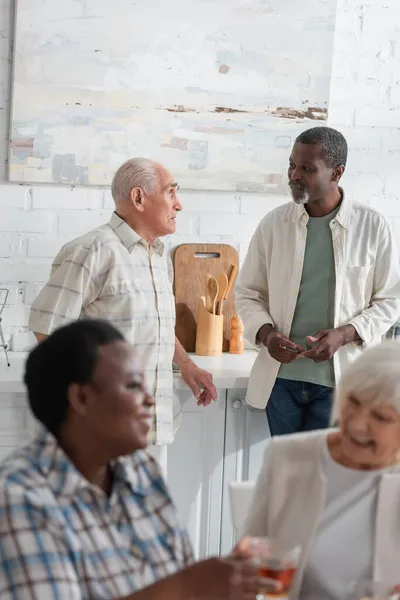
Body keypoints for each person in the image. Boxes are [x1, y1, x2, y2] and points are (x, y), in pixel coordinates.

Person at [0, 319, 269, 600]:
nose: (150, 400)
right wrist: (190, 585)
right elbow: (180, 586)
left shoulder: (141, 471)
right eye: (133, 386)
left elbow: (178, 580)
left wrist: (220, 585)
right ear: (81, 398)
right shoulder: (20, 498)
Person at [28, 158, 217, 451]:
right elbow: (47, 329)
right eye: (171, 193)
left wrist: (187, 365)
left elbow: (157, 326)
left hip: (155, 426)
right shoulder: (92, 250)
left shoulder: (157, 255)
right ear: (139, 197)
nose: (179, 205)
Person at [236, 126, 400, 436]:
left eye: (307, 168)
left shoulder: (372, 227)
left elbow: (390, 300)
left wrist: (344, 334)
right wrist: (268, 335)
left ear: (337, 172)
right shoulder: (274, 224)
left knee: (329, 480)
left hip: (341, 383)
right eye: (292, 164)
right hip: (280, 381)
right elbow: (247, 293)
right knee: (288, 477)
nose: (294, 175)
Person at [243, 340, 400, 599]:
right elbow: (247, 564)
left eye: (381, 417)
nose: (357, 426)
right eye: (353, 402)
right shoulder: (289, 457)